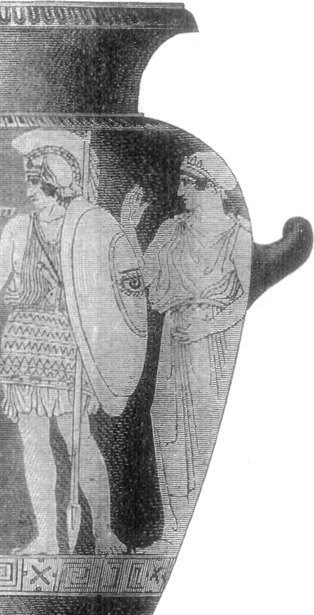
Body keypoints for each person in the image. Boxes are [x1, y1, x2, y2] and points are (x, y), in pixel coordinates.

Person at [0, 130, 126, 555]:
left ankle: (104, 533)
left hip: (68, 343)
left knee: (79, 440)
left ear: (60, 186)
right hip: (24, 343)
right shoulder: (18, 226)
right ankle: (47, 538)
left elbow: (110, 290)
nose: (30, 193)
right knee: (34, 444)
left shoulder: (85, 228)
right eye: (29, 183)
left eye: (39, 185)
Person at [121, 151, 251, 550]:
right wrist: (129, 231)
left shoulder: (237, 235)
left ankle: (209, 534)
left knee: (208, 428)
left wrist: (207, 326)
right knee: (167, 425)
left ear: (212, 189)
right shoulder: (170, 229)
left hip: (214, 343)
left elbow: (244, 298)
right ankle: (176, 530)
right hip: (174, 337)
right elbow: (144, 281)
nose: (180, 192)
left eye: (187, 184)